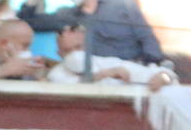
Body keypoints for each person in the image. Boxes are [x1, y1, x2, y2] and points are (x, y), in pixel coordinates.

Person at [18, 0, 164, 66]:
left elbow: (147, 38)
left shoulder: (120, 1)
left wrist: (148, 69)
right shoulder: (67, 15)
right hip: (95, 80)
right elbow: (28, 21)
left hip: (130, 74)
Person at [45, 20, 175, 89]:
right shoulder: (56, 74)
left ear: (88, 47)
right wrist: (105, 74)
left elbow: (163, 74)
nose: (75, 54)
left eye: (78, 47)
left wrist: (163, 77)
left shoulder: (109, 62)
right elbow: (74, 88)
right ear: (59, 53)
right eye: (68, 50)